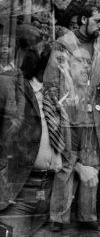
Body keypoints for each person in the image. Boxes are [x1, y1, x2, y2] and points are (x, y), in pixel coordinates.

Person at [44, 6, 100, 232]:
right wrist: (55, 111)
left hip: (94, 117)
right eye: (97, 21)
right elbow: (51, 80)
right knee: (66, 166)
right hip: (68, 116)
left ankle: (87, 215)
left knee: (92, 165)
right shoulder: (63, 44)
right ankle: (59, 217)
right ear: (84, 19)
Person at [0, 41, 59, 237]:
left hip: (49, 191)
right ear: (43, 64)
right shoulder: (12, 85)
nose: (63, 67)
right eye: (58, 62)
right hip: (18, 190)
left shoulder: (56, 93)